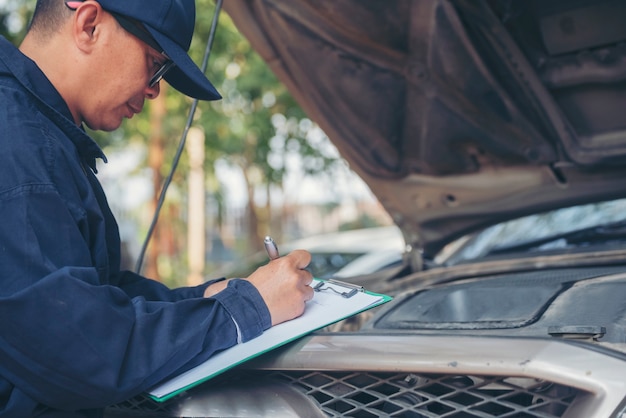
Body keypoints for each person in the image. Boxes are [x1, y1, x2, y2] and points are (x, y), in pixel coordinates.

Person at [0, 0, 314, 416]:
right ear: (90, 25)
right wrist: (246, 308)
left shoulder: (38, 136)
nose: (154, 89)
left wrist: (203, 297)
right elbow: (81, 351)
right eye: (155, 63)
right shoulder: (15, 142)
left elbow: (86, 295)